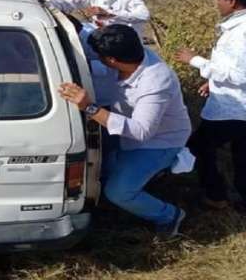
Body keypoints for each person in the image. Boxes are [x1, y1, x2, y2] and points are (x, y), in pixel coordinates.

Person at [58, 24, 193, 236]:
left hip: (158, 142)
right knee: (101, 171)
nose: (95, 57)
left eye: (99, 56)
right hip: (122, 128)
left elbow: (141, 131)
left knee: (118, 192)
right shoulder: (128, 58)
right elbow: (86, 36)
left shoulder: (156, 82)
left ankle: (169, 215)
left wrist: (89, 107)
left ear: (112, 60)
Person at [175, 0, 246, 215]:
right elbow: (244, 67)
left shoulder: (245, 32)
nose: (217, 2)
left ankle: (215, 195)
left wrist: (196, 60)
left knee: (199, 146)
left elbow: (241, 75)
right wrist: (212, 81)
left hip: (239, 106)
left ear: (232, 1)